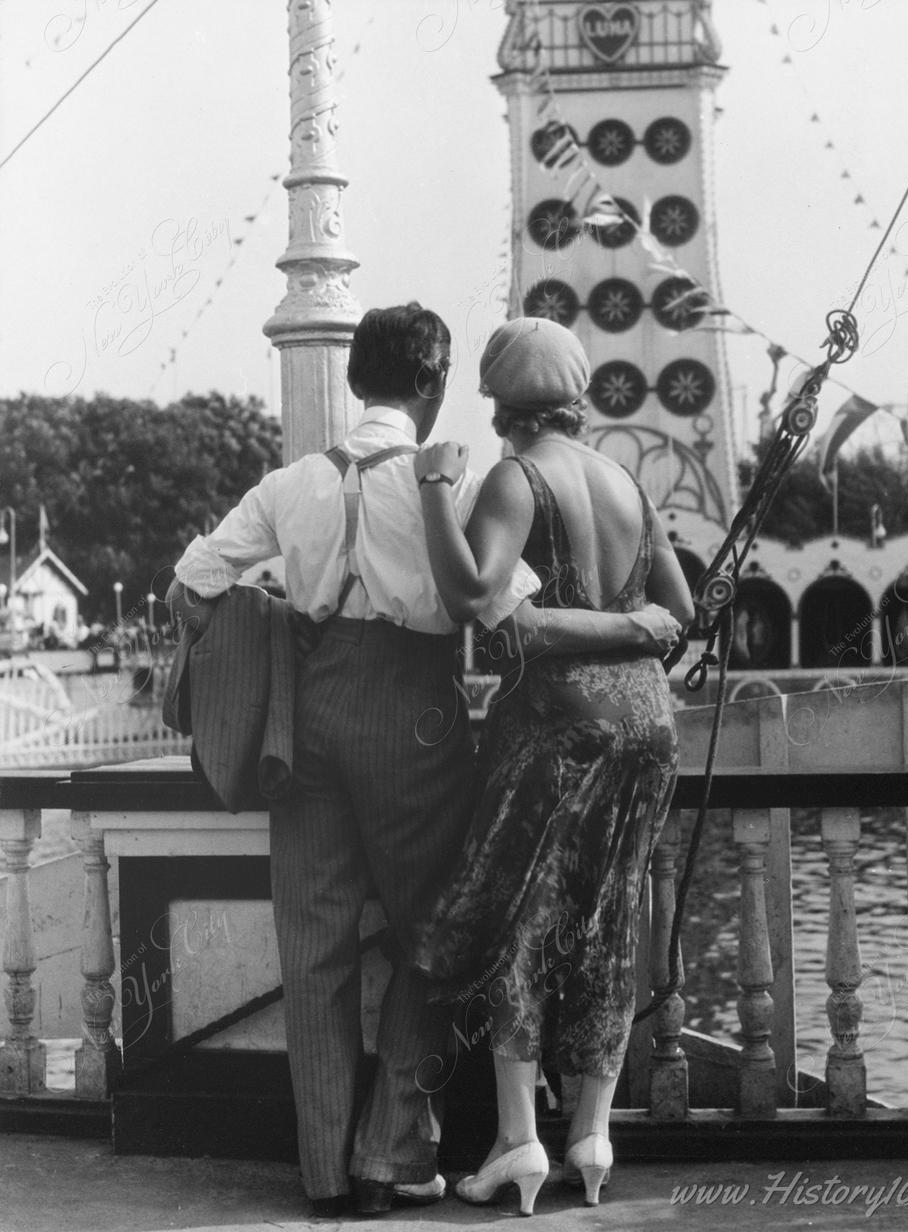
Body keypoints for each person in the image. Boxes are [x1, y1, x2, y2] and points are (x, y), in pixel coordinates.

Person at [165, 303, 681, 1219]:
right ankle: (392, 1152)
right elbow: (506, 614)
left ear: (357, 379)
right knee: (436, 937)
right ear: (435, 386)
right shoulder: (450, 482)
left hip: (310, 721)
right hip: (419, 721)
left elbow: (193, 586)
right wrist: (640, 628)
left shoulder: (289, 485)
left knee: (314, 948)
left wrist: (254, 662)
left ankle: (324, 1173)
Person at [411, 316, 695, 1214]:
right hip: (649, 727)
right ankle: (593, 1136)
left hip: (556, 727)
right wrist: (631, 628)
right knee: (610, 916)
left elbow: (474, 597)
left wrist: (432, 491)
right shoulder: (622, 478)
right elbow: (676, 614)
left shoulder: (515, 476)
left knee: (522, 920)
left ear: (501, 404)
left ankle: (518, 1140)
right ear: (577, 396)